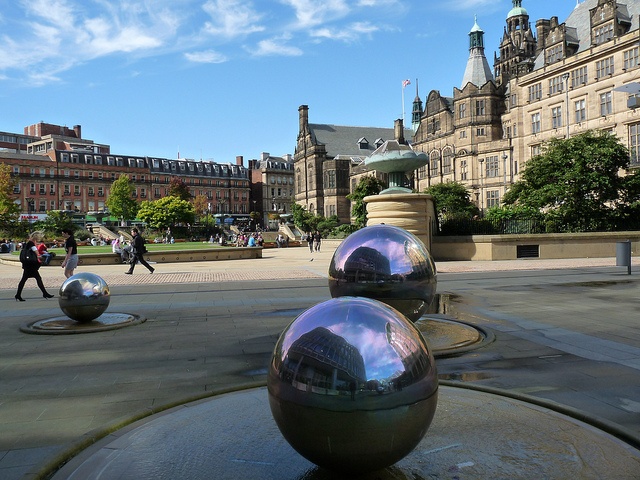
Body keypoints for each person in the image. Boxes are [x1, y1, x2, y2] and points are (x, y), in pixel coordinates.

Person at [15, 233, 54, 301]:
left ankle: (18, 295)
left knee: (24, 280)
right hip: (31, 266)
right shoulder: (31, 244)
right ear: (36, 238)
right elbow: (37, 253)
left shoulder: (27, 243)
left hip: (27, 265)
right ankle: (45, 293)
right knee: (37, 278)